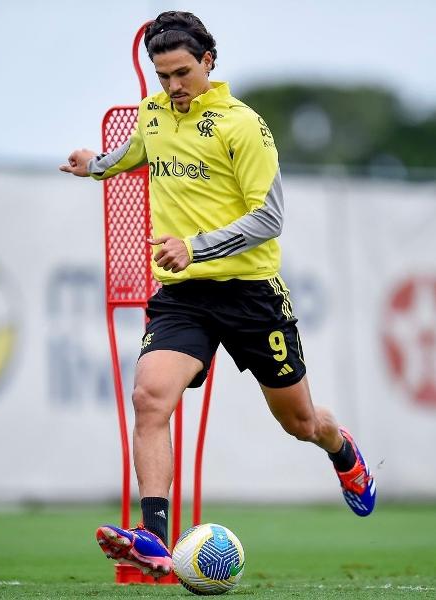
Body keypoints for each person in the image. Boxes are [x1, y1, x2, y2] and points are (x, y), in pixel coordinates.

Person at [60, 10, 376, 578]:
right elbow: (139, 152)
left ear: (209, 61)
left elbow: (271, 217)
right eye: (163, 76)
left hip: (251, 294)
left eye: (182, 72)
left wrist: (196, 246)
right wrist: (97, 166)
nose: (173, 87)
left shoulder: (243, 125)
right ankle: (153, 538)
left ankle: (341, 449)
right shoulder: (156, 112)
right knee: (150, 396)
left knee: (300, 422)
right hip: (183, 296)